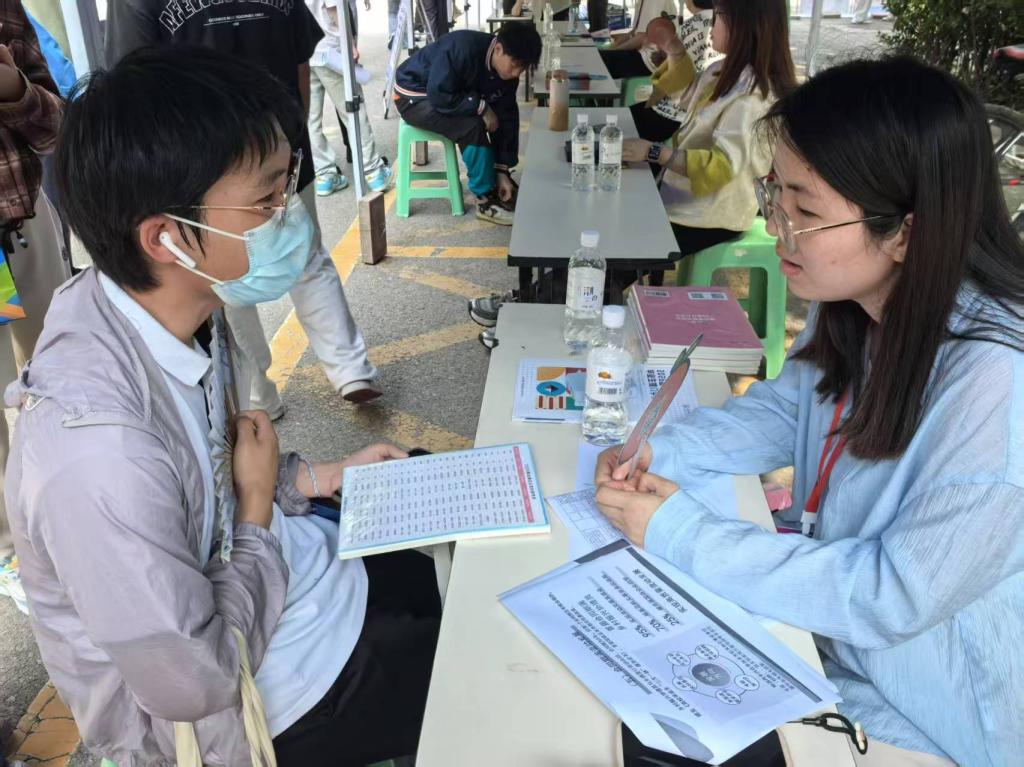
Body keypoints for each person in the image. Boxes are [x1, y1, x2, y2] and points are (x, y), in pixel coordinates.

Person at [6, 46, 441, 767]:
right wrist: (261, 503)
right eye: (266, 202)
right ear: (165, 238)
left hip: (295, 576)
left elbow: (211, 476)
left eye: (287, 187)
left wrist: (312, 477)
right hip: (266, 702)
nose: (288, 217)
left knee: (462, 542)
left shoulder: (182, 308)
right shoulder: (96, 456)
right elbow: (196, 682)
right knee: (498, 656)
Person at [595, 56, 1024, 767]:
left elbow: (889, 596)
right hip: (832, 642)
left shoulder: (997, 386)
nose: (778, 227)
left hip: (930, 715)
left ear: (905, 231)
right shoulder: (864, 304)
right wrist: (659, 452)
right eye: (776, 194)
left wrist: (678, 531)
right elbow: (782, 410)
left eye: (807, 211)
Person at [106, 0, 383, 410]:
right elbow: (300, 61)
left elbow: (132, 83)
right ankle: (348, 369)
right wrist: (290, 136)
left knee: (223, 279)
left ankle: (258, 396)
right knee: (302, 258)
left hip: (209, 172)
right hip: (266, 155)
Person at [621, 0, 795, 259]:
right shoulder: (722, 70)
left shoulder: (754, 98)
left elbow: (721, 166)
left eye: (717, 16)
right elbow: (686, 98)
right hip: (686, 195)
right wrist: (674, 50)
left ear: (742, 25)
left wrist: (653, 152)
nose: (710, 25)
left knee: (620, 247)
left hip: (711, 217)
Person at [0, 0, 68, 615]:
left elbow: (55, 128)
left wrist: (15, 91)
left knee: (65, 377)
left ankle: (79, 515)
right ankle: (10, 552)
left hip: (25, 224)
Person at [394, 23, 541, 225]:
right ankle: (485, 199)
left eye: (522, 69)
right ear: (498, 49)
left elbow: (506, 117)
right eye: (515, 65)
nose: (517, 73)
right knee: (472, 126)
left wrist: (501, 169)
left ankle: (495, 179)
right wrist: (481, 107)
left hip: (449, 94)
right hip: (414, 96)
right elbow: (440, 95)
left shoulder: (507, 75)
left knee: (500, 117)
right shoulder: (461, 48)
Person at [307, 0, 394, 196]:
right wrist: (350, 43)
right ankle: (374, 171)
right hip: (331, 49)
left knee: (311, 119)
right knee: (354, 111)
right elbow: (333, 9)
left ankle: (324, 175)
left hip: (303, 51)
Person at [598, 0, 680, 80]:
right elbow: (634, 33)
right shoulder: (642, 2)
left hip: (653, 61)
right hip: (646, 54)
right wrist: (612, 47)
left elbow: (641, 37)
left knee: (600, 60)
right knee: (599, 56)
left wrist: (614, 50)